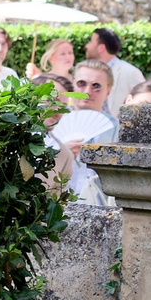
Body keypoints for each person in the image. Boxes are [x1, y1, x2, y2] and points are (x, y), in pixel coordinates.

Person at [48, 61, 118, 205]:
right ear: (73, 85)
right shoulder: (53, 120)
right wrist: (61, 154)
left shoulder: (117, 128)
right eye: (81, 83)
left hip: (100, 204)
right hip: (57, 202)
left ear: (108, 91)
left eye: (96, 86)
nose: (87, 91)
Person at [85, 28, 145, 107]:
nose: (86, 46)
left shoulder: (130, 73)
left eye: (91, 42)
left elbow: (145, 103)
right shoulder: (87, 73)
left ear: (101, 48)